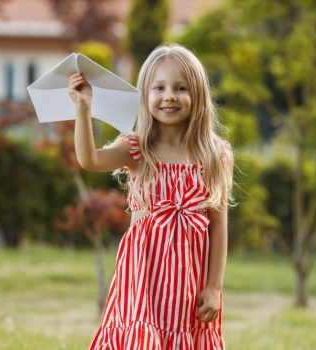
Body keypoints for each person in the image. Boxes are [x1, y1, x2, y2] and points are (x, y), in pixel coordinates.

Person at [68, 44, 233, 350]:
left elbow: (219, 225)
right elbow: (90, 160)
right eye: (159, 87)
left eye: (181, 88)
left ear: (198, 96)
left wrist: (214, 287)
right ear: (145, 95)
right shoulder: (137, 149)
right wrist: (83, 108)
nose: (169, 95)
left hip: (189, 282)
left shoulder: (215, 154)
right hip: (143, 277)